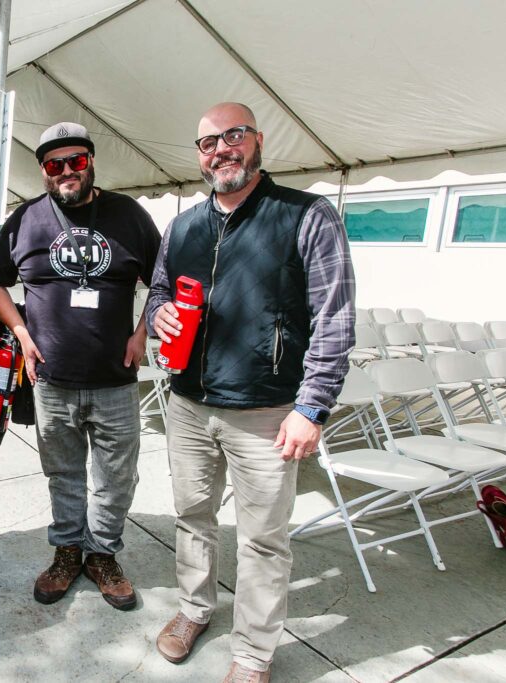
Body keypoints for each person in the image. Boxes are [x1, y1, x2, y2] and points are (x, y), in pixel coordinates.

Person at [144, 102, 355, 683]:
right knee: (192, 516)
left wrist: (311, 407)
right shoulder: (183, 226)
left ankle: (253, 653)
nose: (220, 150)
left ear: (257, 141)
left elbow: (335, 319)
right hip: (187, 406)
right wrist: (158, 312)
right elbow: (158, 291)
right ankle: (193, 609)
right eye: (207, 142)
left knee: (264, 538)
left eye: (232, 136)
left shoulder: (307, 215)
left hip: (266, 411)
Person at [0, 122, 161, 610]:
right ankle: (67, 551)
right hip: (52, 382)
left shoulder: (128, 215)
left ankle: (102, 554)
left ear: (90, 162)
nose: (66, 171)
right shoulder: (24, 220)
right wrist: (21, 332)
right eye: (54, 164)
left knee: (116, 477)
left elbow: (163, 281)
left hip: (116, 379)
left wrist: (141, 333)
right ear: (43, 171)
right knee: (62, 473)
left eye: (76, 161)